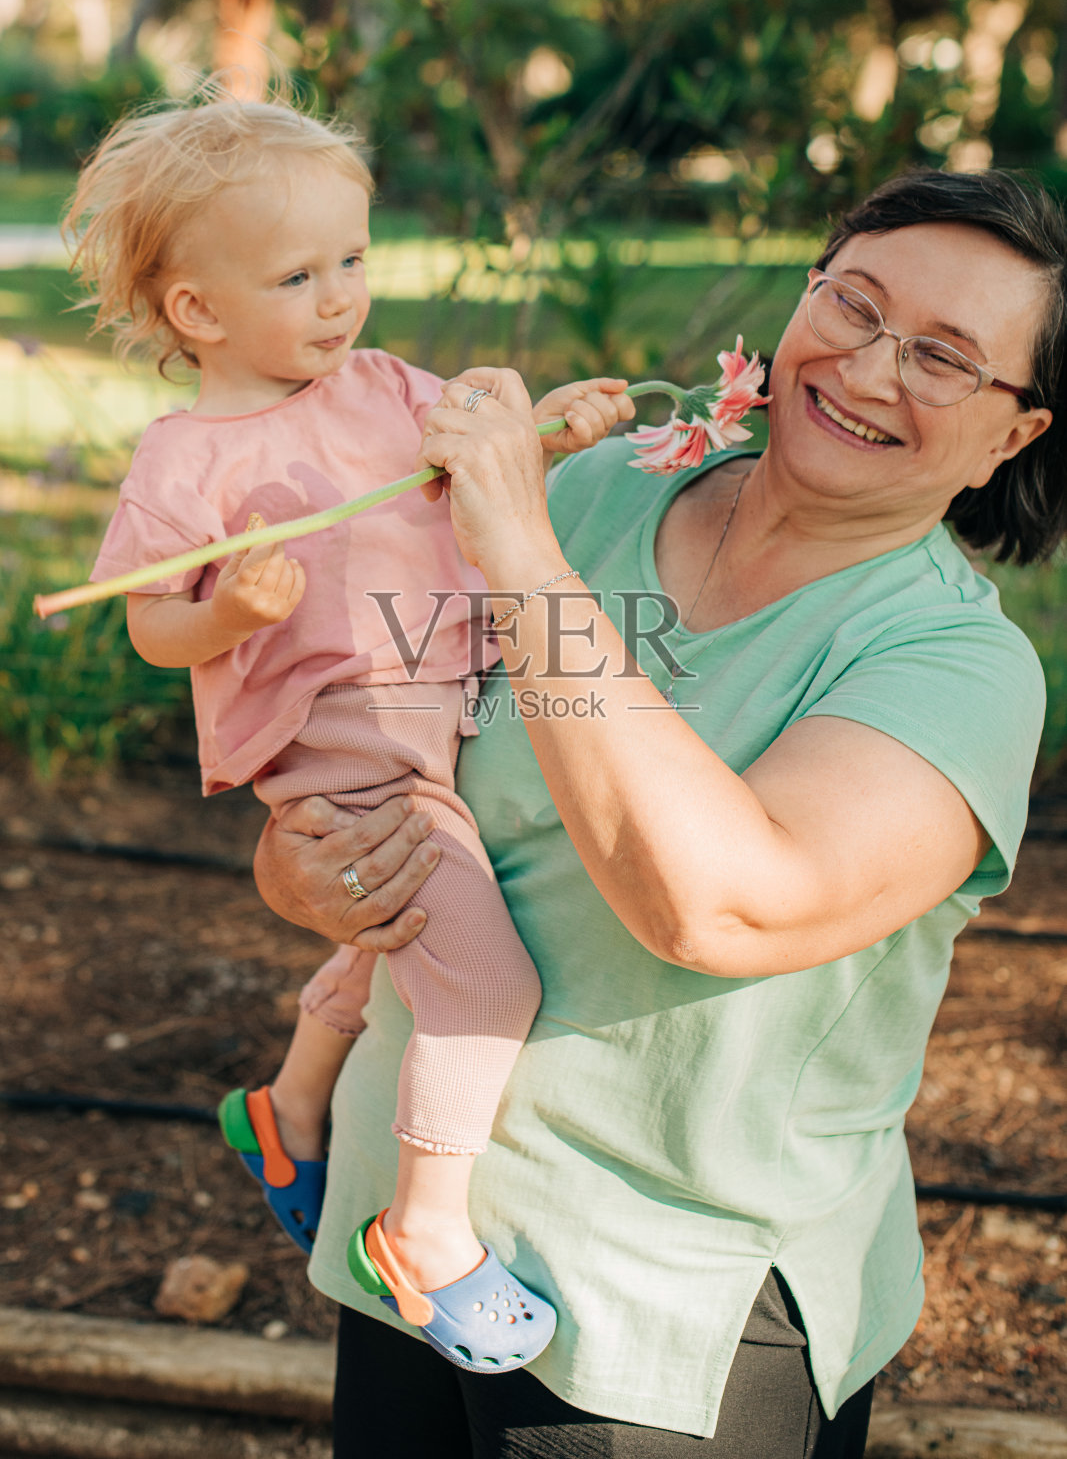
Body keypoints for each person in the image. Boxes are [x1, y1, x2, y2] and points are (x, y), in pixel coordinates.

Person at [254, 167, 1066, 1459]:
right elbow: (383, 754)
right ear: (801, 298)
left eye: (942, 360)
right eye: (850, 306)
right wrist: (309, 871)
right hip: (412, 1230)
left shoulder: (956, 671)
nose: (864, 371)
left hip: (656, 1311)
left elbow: (715, 901)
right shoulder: (599, 491)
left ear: (1010, 435)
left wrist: (520, 553)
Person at [70, 88, 633, 1369]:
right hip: (354, 751)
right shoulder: (187, 461)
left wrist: (549, 430)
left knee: (393, 938)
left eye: (352, 261)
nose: (340, 297)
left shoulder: (380, 385)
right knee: (486, 983)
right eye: (299, 274)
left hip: (447, 714)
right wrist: (225, 614)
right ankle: (425, 1237)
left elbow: (470, 458)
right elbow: (147, 624)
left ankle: (290, 1105)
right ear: (199, 310)